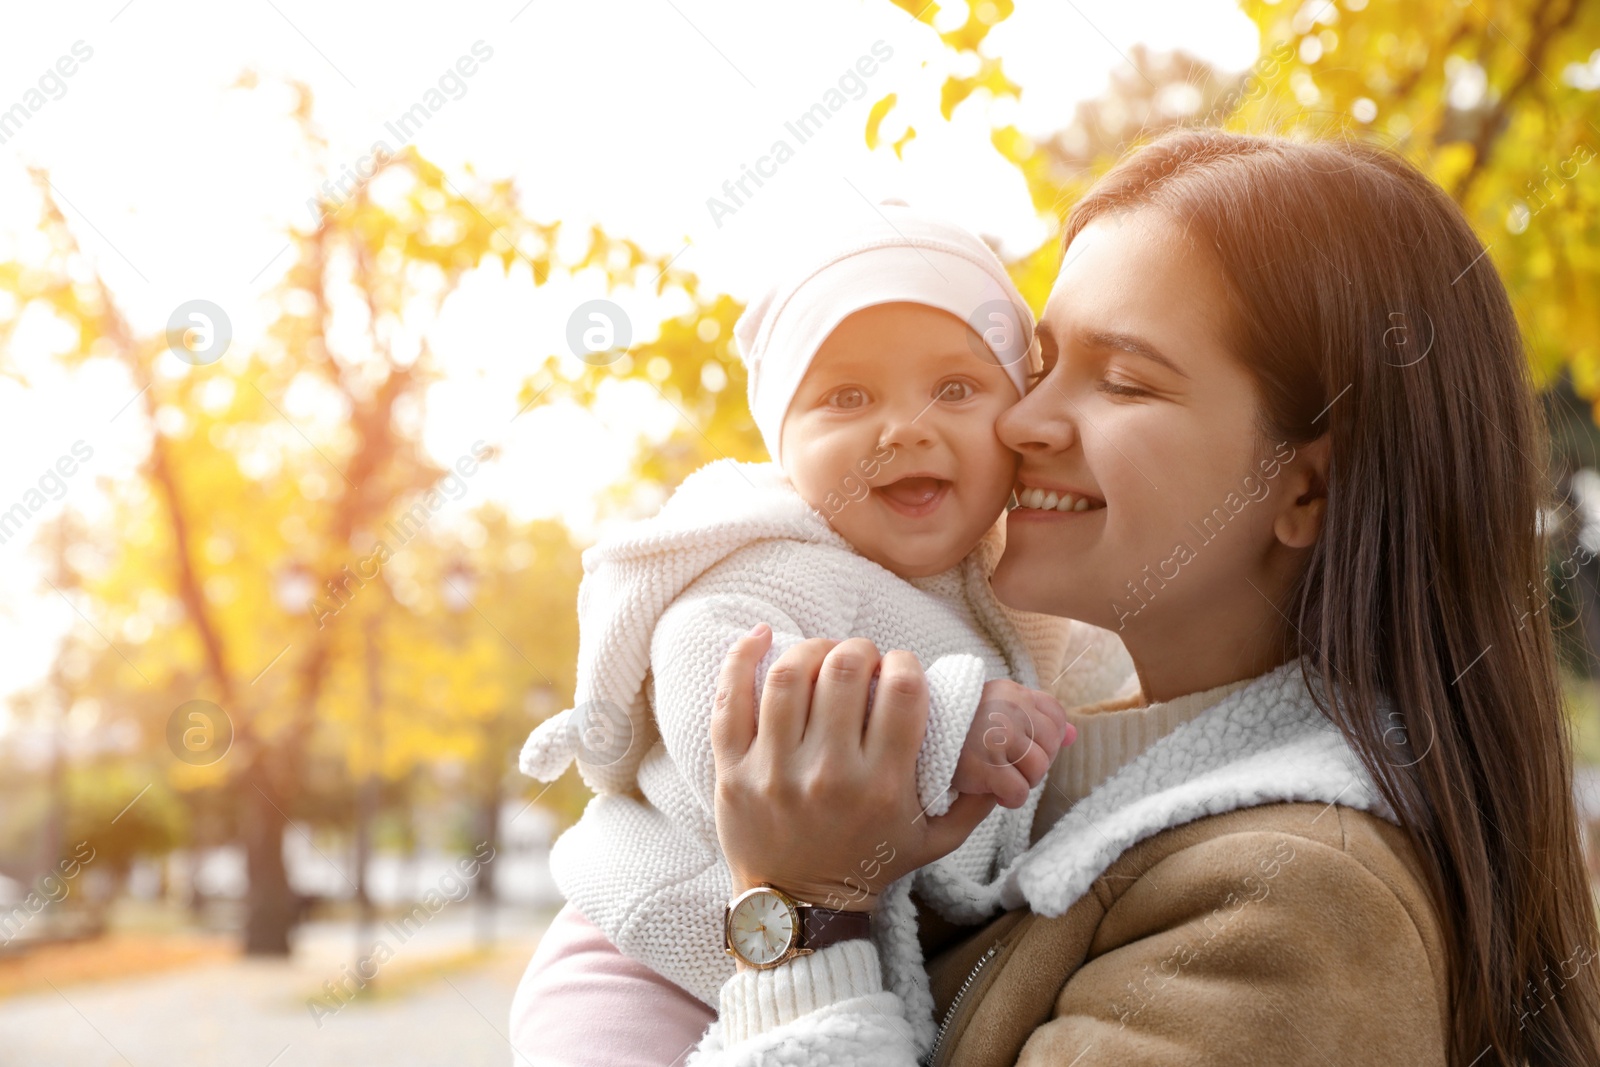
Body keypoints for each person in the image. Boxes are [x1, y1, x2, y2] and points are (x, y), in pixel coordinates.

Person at [689, 129, 1600, 1064]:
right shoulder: (1028, 767)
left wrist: (802, 915)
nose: (1021, 417)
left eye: (1121, 380)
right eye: (1039, 365)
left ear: (1305, 491)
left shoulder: (1291, 906)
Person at [509, 204, 1136, 1065]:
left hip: (817, 958)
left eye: (955, 388)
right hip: (642, 952)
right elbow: (725, 702)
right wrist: (947, 724)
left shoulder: (1007, 581)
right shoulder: (767, 557)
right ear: (783, 444)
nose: (905, 427)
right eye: (846, 397)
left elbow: (1100, 693)